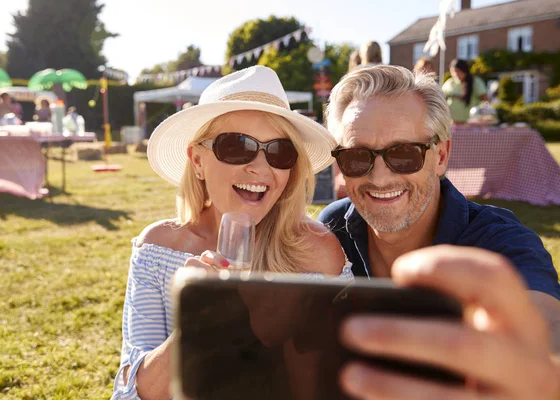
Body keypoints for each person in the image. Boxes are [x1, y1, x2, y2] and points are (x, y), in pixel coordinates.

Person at [112, 65, 353, 400]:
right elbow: (128, 396)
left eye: (279, 151)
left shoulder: (318, 256)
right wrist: (195, 324)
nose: (260, 167)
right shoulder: (157, 250)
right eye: (237, 146)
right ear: (197, 159)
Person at [319, 64, 560, 399]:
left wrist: (543, 373)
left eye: (403, 153)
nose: (379, 177)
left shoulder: (499, 241)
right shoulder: (332, 230)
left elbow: (544, 321)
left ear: (442, 155)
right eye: (357, 157)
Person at [442, 58, 488, 124]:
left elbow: (485, 100)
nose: (456, 74)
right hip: (452, 123)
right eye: (453, 71)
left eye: (458, 71)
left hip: (471, 124)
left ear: (464, 70)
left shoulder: (476, 82)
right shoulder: (449, 83)